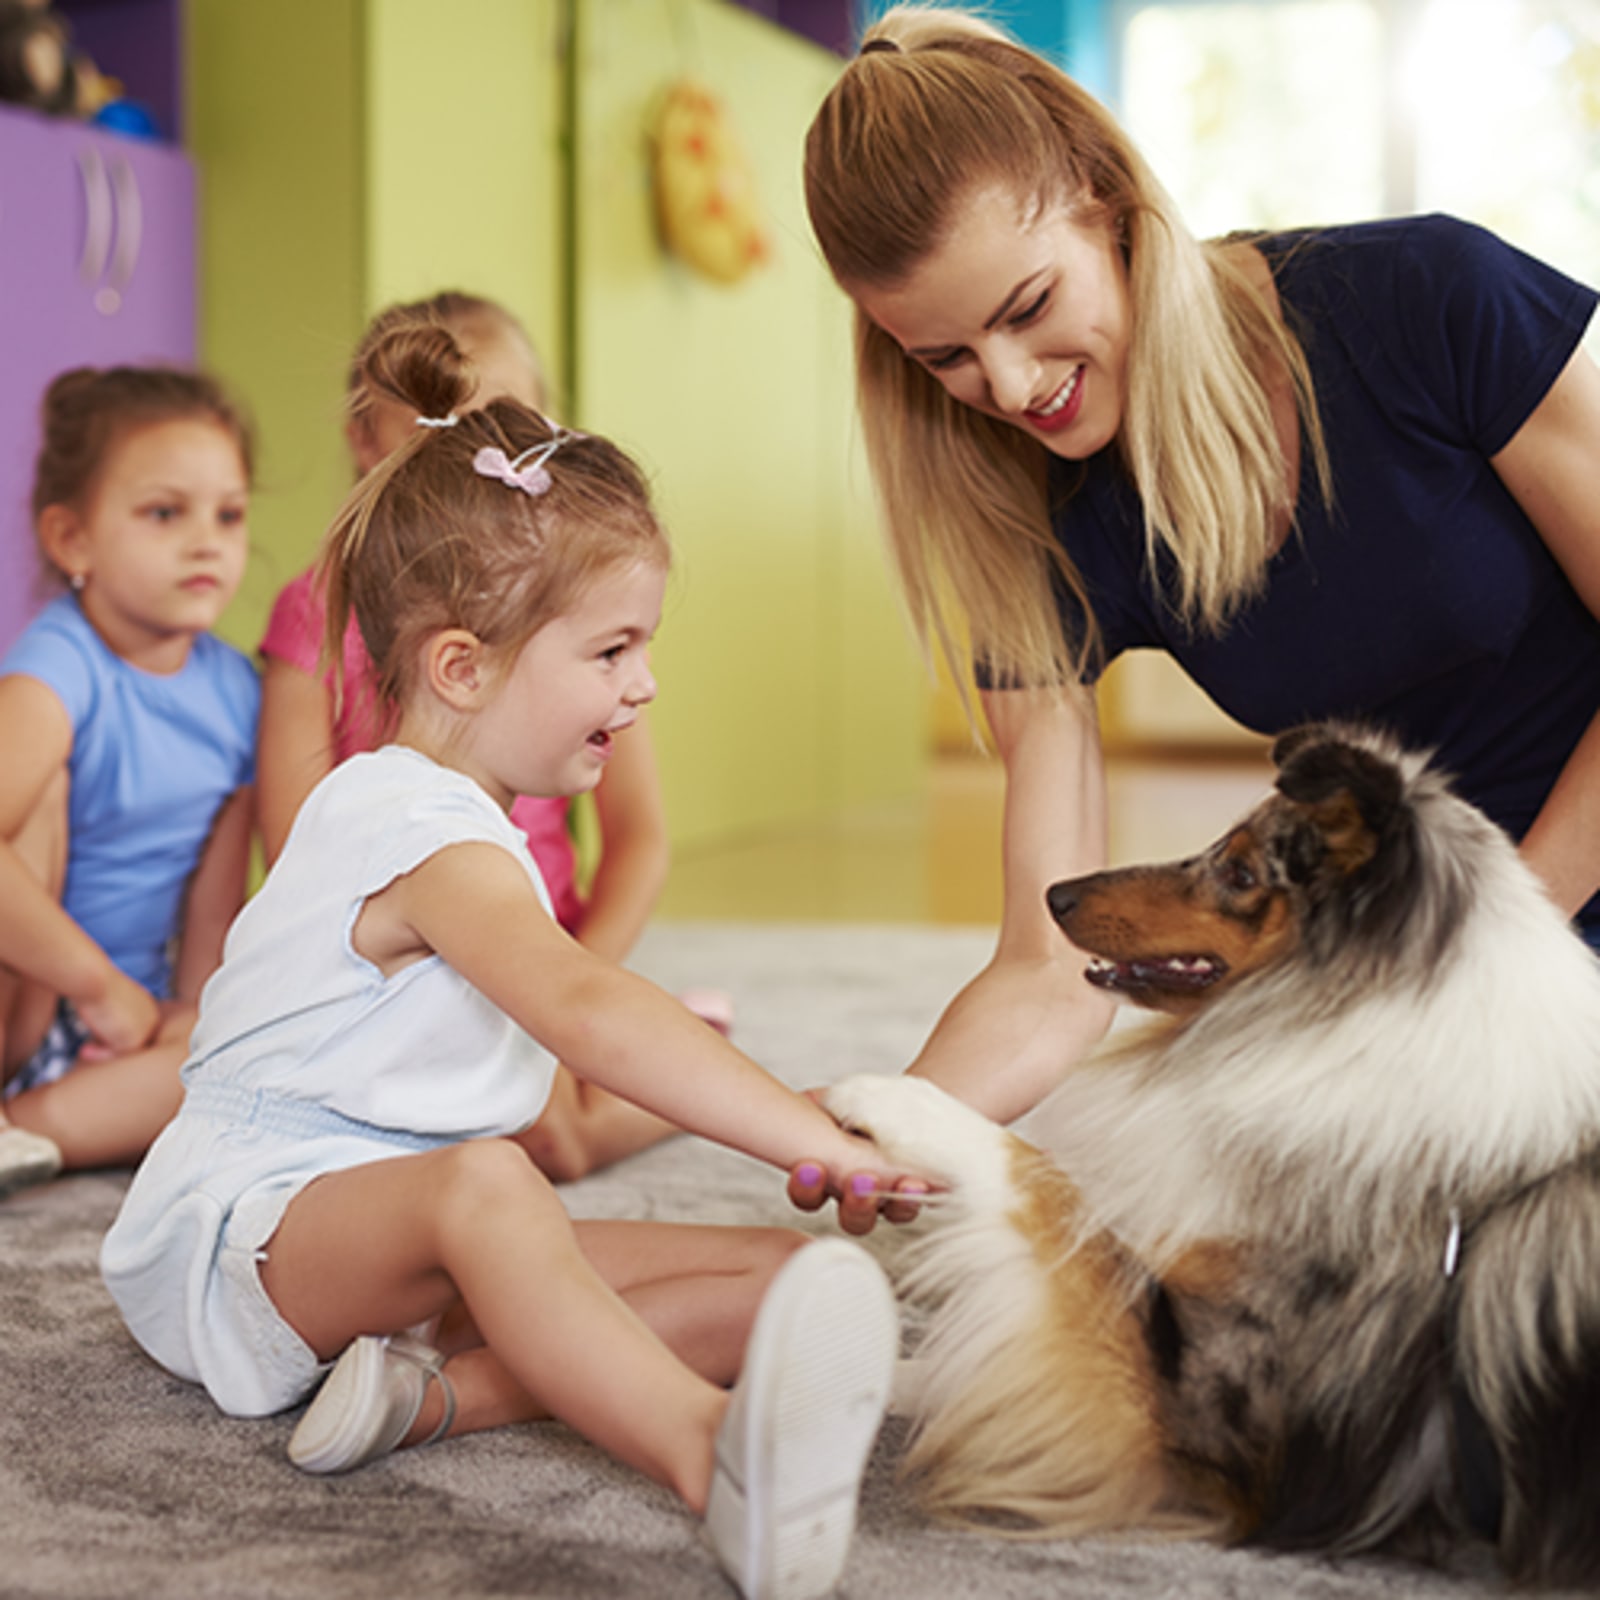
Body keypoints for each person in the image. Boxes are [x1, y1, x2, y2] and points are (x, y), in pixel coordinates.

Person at [100, 321, 907, 1600]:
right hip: (250, 1236)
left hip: (393, 1234)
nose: (644, 688)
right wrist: (808, 1136)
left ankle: (428, 1400)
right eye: (610, 651)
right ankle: (709, 1457)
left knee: (801, 1281)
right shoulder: (404, 820)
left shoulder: (468, 823)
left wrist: (818, 1157)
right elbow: (587, 1008)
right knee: (489, 1186)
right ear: (462, 667)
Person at [792, 3, 1600, 1224]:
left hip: (1512, 915)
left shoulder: (1424, 299)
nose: (1006, 388)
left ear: (1107, 202)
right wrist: (892, 1128)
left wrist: (1487, 952)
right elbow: (1048, 963)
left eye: (1024, 307)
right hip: (1426, 942)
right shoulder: (1054, 529)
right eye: (943, 357)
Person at [257, 290, 707, 1182]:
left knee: (550, 1140)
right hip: (399, 964)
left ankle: (666, 1056)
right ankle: (666, 1045)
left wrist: (575, 977)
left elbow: (640, 840)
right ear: (363, 439)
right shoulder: (315, 613)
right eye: (439, 428)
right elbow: (297, 848)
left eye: (504, 428)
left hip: (547, 953)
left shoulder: (579, 635)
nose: (472, 457)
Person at [0, 367, 258, 1200]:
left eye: (229, 514)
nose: (207, 541)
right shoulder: (58, 665)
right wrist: (94, 983)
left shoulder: (237, 693)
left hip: (117, 1026)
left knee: (238, 1058)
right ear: (72, 540)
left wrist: (192, 1011)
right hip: (32, 986)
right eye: (164, 513)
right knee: (33, 792)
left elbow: (212, 905)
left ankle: (27, 1129)